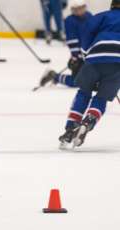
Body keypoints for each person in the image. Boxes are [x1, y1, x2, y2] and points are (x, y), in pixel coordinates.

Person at [58, 0, 120, 149]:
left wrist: (84, 56)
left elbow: (87, 34)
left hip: (95, 57)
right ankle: (89, 121)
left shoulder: (101, 16)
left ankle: (70, 128)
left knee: (83, 92)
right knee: (102, 98)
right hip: (118, 62)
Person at [39, 0, 92, 88]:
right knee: (77, 82)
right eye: (76, 9)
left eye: (81, 8)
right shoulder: (69, 21)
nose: (79, 11)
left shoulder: (90, 16)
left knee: (91, 80)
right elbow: (71, 40)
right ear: (72, 10)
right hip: (79, 56)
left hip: (89, 55)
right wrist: (76, 56)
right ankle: (54, 76)